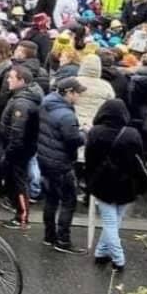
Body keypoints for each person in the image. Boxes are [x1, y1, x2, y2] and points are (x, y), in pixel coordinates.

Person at [84, 98, 146, 271]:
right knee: (115, 220)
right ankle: (102, 252)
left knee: (110, 221)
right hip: (127, 184)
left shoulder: (95, 132)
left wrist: (89, 182)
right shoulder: (132, 133)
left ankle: (117, 258)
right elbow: (140, 161)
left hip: (103, 183)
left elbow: (89, 161)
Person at [36, 77, 87, 254]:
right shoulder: (67, 115)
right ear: (68, 93)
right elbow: (73, 140)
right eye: (77, 93)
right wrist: (84, 134)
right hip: (61, 163)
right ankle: (63, 240)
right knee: (68, 201)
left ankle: (49, 236)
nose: (79, 96)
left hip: (45, 159)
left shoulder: (46, 104)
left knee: (51, 198)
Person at [0, 65, 43, 230]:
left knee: (18, 182)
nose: (8, 80)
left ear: (22, 80)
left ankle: (22, 217)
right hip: (19, 148)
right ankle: (19, 212)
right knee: (16, 180)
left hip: (18, 150)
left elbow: (18, 132)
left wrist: (9, 152)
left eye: (11, 77)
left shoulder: (22, 103)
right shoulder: (21, 97)